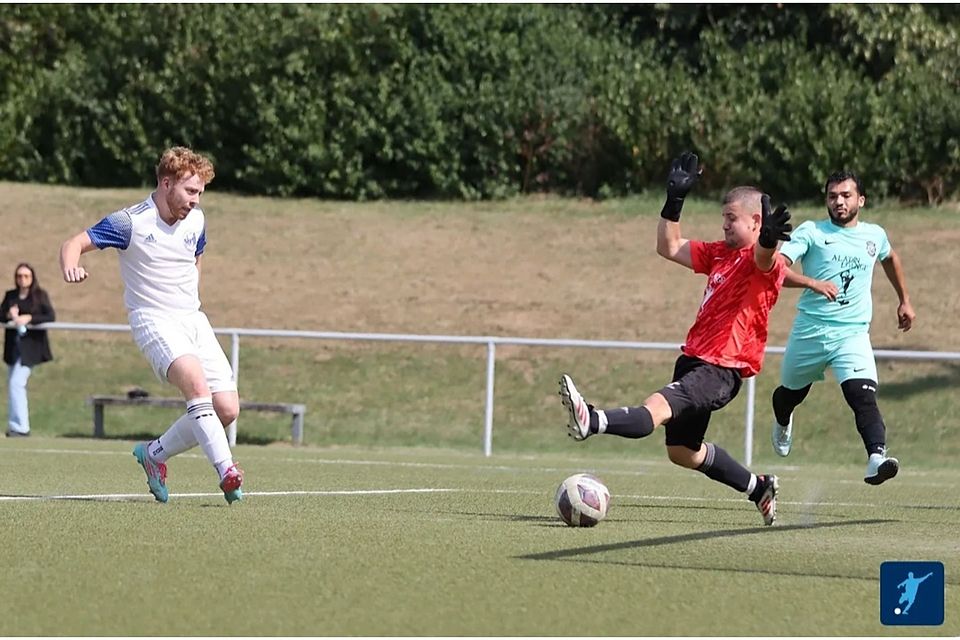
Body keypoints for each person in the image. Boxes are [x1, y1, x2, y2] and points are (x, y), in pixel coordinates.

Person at [559, 151, 793, 526]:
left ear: (756, 221)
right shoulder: (720, 254)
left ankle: (594, 421)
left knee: (654, 408)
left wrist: (767, 241)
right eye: (723, 218)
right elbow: (668, 247)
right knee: (683, 451)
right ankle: (758, 487)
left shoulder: (766, 263)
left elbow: (764, 259)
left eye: (732, 219)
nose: (724, 226)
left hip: (720, 369)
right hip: (694, 360)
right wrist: (674, 200)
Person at [58, 146, 244, 504]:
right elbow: (74, 243)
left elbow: (196, 255)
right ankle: (227, 471)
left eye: (200, 193)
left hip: (192, 318)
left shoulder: (197, 219)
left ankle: (154, 454)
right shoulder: (130, 222)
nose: (196, 200)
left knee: (226, 408)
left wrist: (190, 295)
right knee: (196, 385)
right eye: (191, 191)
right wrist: (71, 265)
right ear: (166, 183)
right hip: (152, 318)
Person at [770, 171, 915, 486]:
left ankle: (876, 458)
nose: (839, 201)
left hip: (852, 333)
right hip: (811, 330)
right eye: (833, 196)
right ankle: (782, 420)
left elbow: (890, 258)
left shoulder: (874, 235)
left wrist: (904, 300)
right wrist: (812, 283)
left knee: (862, 396)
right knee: (789, 396)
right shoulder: (811, 231)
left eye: (846, 195)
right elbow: (776, 270)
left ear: (861, 200)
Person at [2, 263, 56, 437]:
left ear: (32, 278)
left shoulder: (39, 296)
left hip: (31, 348)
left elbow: (50, 316)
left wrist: (29, 318)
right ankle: (15, 425)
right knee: (12, 384)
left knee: (16, 383)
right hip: (13, 349)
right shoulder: (11, 296)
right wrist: (9, 315)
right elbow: (1, 315)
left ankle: (21, 427)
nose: (22, 279)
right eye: (19, 276)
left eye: (26, 276)